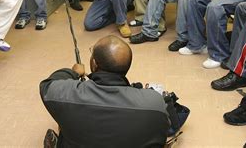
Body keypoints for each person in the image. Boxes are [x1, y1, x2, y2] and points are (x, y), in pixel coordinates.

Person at [40, 35, 170, 147]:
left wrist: (73, 72)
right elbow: (162, 133)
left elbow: (48, 85)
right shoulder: (154, 103)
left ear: (94, 64)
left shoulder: (65, 95)